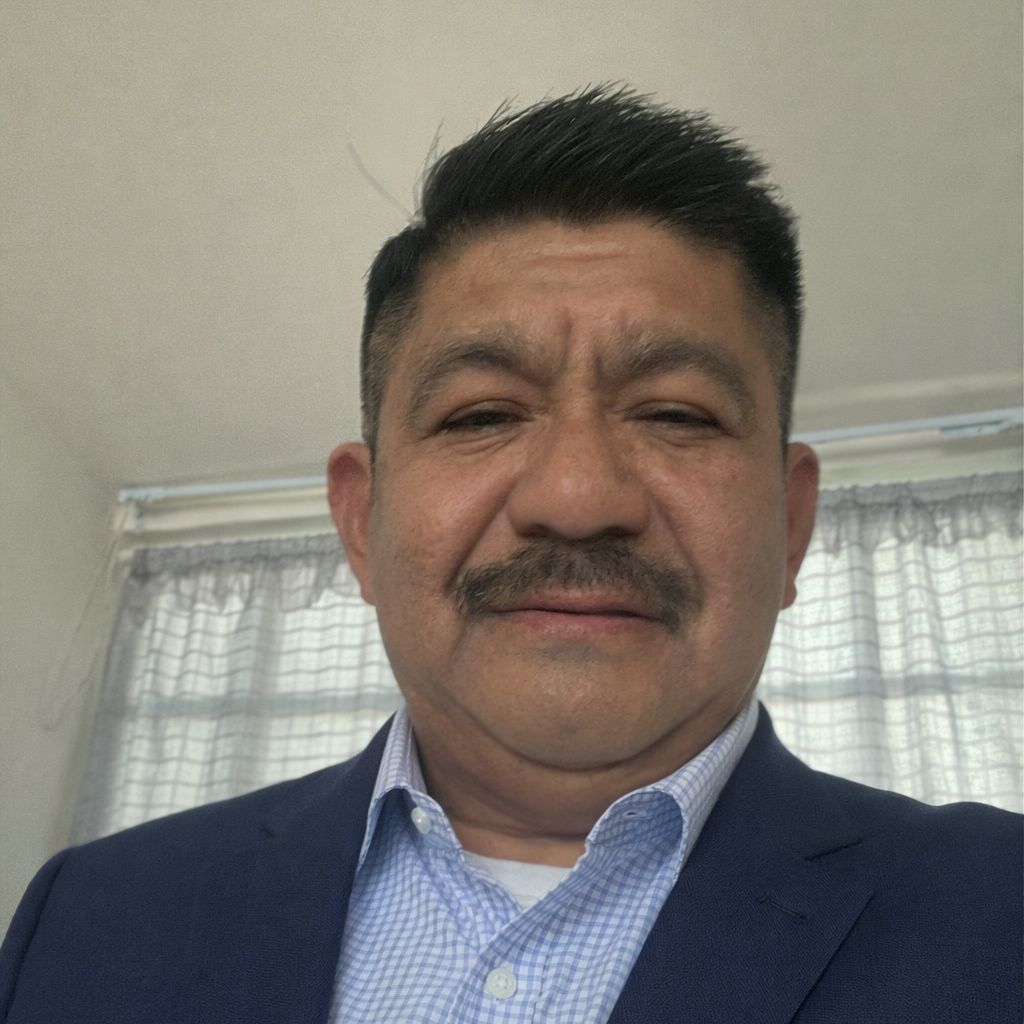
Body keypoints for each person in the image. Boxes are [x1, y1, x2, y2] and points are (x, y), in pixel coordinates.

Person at [1, 86, 1020, 1024]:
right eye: (481, 414)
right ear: (360, 521)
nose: (576, 498)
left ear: (791, 525)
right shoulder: (89, 918)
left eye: (675, 413)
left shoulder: (996, 915)